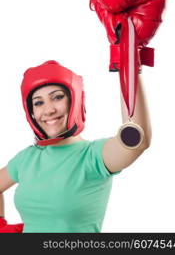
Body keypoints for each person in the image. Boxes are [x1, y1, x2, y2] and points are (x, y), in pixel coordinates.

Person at [0, 59, 151, 233]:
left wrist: (128, 61)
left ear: (75, 101)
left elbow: (136, 140)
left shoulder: (93, 156)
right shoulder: (27, 158)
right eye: (38, 102)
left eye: (57, 97)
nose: (48, 110)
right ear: (31, 111)